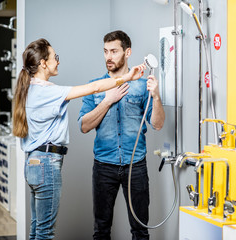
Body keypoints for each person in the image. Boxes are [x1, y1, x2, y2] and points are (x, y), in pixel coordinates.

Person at [12, 38, 146, 240]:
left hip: (32, 163)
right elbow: (94, 88)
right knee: (44, 234)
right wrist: (127, 77)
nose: (57, 61)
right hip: (46, 165)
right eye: (54, 57)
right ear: (43, 63)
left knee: (36, 230)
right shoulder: (48, 91)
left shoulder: (29, 88)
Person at [78, 30, 165, 240]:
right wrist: (108, 100)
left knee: (140, 230)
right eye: (106, 51)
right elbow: (84, 126)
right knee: (101, 230)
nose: (108, 56)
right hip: (103, 166)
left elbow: (158, 124)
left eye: (114, 51)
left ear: (128, 52)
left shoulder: (141, 86)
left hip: (135, 166)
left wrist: (156, 97)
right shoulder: (96, 87)